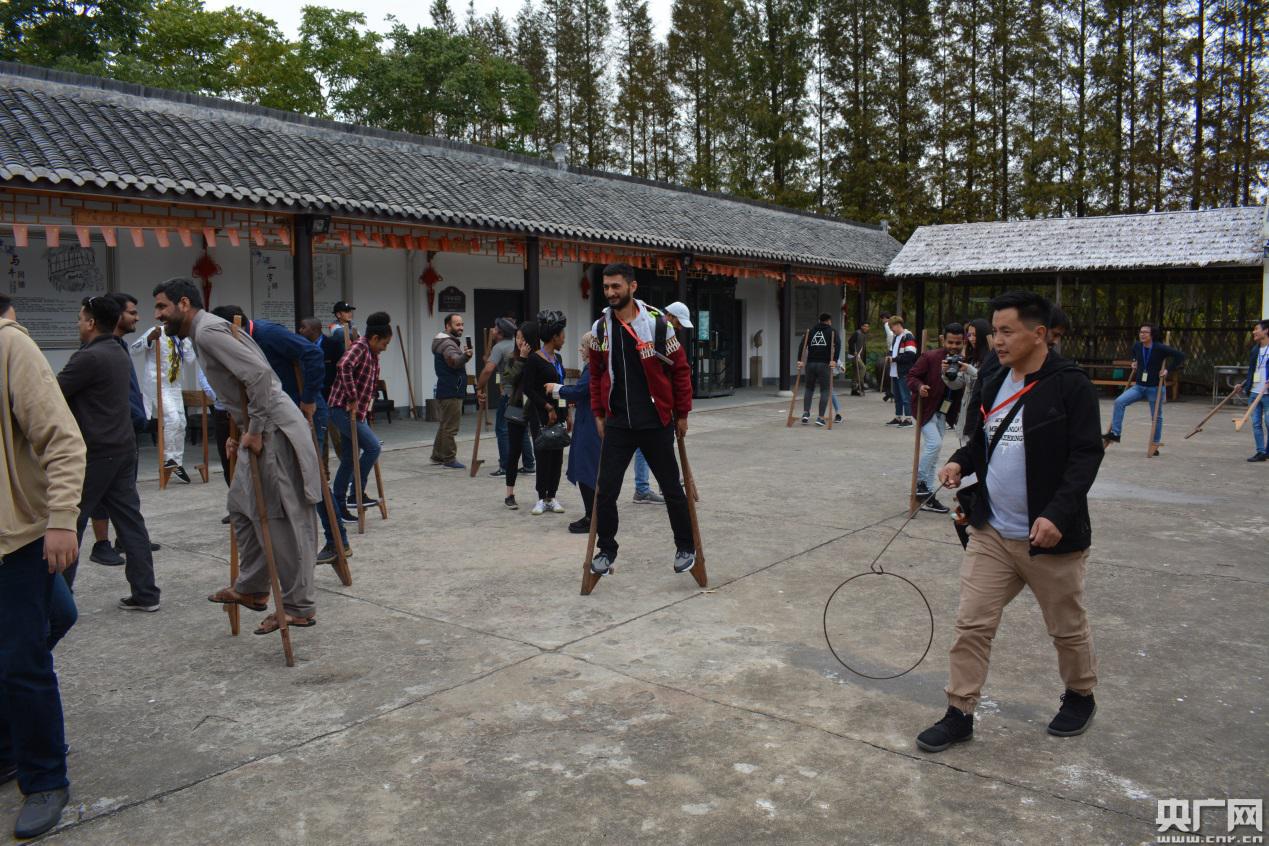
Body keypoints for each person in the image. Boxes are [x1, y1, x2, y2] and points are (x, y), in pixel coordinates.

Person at [916, 291, 1104, 754]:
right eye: (994, 332)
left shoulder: (1071, 385)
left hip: (1049, 538)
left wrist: (1057, 514)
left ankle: (1080, 694)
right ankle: (959, 711)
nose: (996, 341)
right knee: (971, 625)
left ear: (1038, 334)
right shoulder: (995, 377)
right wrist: (959, 462)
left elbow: (1086, 456)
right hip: (993, 532)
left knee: (1066, 627)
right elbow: (982, 440)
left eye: (1006, 332)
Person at [154, 277, 322, 633]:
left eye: (162, 307)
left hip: (274, 429)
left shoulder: (207, 332)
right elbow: (238, 386)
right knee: (241, 506)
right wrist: (239, 432)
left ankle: (298, 606)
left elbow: (259, 376)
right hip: (256, 425)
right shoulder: (205, 331)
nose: (158, 315)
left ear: (183, 304)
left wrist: (256, 430)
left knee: (281, 519)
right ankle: (253, 587)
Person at [0, 304, 85, 838]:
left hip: (15, 538)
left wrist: (62, 518)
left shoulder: (11, 346)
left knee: (20, 661)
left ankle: (46, 778)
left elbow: (62, 439)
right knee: (55, 619)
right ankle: (8, 744)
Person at [586, 263, 696, 577]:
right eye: (606, 287)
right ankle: (607, 550)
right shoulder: (601, 329)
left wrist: (682, 413)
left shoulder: (659, 326)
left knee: (672, 488)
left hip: (655, 422)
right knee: (606, 490)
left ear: (632, 287)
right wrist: (598, 413)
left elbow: (680, 371)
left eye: (616, 286)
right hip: (618, 422)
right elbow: (595, 374)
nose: (610, 293)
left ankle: (685, 547)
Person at [217, 308, 350, 565]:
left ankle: (337, 540)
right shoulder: (242, 344)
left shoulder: (268, 334)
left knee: (311, 476)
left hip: (304, 411)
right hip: (277, 417)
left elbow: (312, 354)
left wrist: (309, 398)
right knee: (288, 479)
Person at [57, 295, 161, 612]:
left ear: (91, 323)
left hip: (96, 452)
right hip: (123, 447)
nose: (78, 324)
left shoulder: (88, 357)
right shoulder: (117, 351)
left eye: (80, 318)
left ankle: (57, 601)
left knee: (69, 522)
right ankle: (146, 593)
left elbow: (52, 395)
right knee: (130, 523)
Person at [87, 292, 152, 566]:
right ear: (117, 315)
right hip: (108, 434)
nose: (137, 317)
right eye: (131, 312)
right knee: (100, 492)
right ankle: (101, 544)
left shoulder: (120, 346)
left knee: (124, 491)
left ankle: (125, 538)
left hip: (127, 428)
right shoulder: (98, 350)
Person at [328, 316, 392, 522]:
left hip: (358, 413)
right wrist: (352, 396)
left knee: (349, 458)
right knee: (373, 447)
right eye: (384, 343)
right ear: (374, 338)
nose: (385, 348)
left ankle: (339, 505)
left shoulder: (372, 354)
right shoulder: (360, 347)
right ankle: (356, 493)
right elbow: (343, 366)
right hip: (342, 409)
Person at [907, 323, 966, 514]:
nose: (954, 346)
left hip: (943, 412)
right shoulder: (930, 357)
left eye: (958, 343)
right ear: (943, 340)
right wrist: (920, 387)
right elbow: (912, 377)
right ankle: (920, 484)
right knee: (934, 444)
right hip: (924, 409)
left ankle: (927, 495)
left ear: (963, 342)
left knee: (935, 451)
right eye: (950, 342)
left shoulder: (964, 362)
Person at [130, 318, 195, 483]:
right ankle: (168, 458)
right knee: (172, 419)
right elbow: (134, 349)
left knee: (182, 422)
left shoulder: (183, 337)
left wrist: (189, 340)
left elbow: (190, 360)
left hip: (174, 386)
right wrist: (149, 338)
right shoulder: (157, 331)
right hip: (158, 385)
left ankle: (177, 462)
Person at [1103, 324, 1185, 449]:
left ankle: (1154, 444)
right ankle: (1115, 434)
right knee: (1119, 402)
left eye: (1146, 332)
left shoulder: (1160, 348)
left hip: (1155, 388)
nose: (1142, 334)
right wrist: (1134, 361)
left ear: (1152, 334)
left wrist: (1168, 370)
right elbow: (1134, 353)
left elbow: (1180, 356)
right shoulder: (1137, 346)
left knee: (1156, 417)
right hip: (1139, 387)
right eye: (1141, 332)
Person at [477, 317, 535, 478]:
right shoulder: (516, 347)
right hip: (523, 396)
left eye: (495, 328)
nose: (492, 330)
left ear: (500, 332)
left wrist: (479, 386)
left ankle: (505, 466)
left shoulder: (499, 347)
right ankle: (529, 464)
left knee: (502, 430)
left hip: (510, 395)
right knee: (522, 429)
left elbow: (488, 370)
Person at [525, 310, 570, 515]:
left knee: (557, 456)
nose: (564, 338)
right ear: (554, 337)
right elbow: (529, 389)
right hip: (540, 414)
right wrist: (547, 407)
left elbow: (561, 386)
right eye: (562, 335)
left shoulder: (557, 358)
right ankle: (541, 498)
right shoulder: (534, 359)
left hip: (559, 413)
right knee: (543, 455)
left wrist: (567, 412)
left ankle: (552, 496)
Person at [560, 333, 599, 533]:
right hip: (588, 422)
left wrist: (557, 389)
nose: (580, 349)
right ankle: (592, 514)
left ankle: (592, 516)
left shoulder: (593, 369)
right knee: (587, 468)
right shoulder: (594, 367)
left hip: (589, 425)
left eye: (583, 346)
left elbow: (578, 392)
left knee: (586, 470)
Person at [501, 322, 538, 510]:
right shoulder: (511, 357)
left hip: (536, 406)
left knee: (542, 448)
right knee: (514, 451)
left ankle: (545, 495)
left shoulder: (539, 357)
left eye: (523, 338)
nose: (519, 341)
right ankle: (509, 494)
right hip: (517, 406)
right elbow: (509, 380)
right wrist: (522, 359)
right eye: (517, 337)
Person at [431, 313, 472, 469]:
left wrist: (464, 355)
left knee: (445, 424)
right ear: (448, 326)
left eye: (462, 324)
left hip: (446, 388)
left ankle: (437, 455)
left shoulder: (445, 342)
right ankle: (449, 459)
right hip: (452, 390)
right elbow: (454, 361)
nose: (461, 327)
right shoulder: (448, 344)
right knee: (451, 427)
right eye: (457, 325)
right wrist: (466, 356)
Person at [798, 313, 841, 427]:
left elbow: (802, 345)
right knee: (825, 390)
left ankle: (806, 413)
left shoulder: (810, 331)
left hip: (810, 364)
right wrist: (834, 360)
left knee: (809, 388)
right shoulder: (832, 331)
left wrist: (800, 360)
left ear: (819, 320)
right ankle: (820, 417)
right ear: (829, 321)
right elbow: (838, 345)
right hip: (824, 364)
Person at [1240, 319, 1269, 461]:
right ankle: (1261, 452)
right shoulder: (1255, 350)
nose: (1254, 332)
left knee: (1268, 423)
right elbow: (1253, 371)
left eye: (1257, 329)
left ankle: (1267, 451)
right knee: (1256, 424)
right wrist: (1243, 384)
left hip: (1268, 394)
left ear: (1266, 330)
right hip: (1254, 392)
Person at [887, 316, 917, 427]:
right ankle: (898, 417)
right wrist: (889, 356)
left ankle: (908, 419)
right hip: (895, 371)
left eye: (892, 327)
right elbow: (891, 351)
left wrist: (894, 359)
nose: (891, 330)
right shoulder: (896, 337)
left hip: (904, 371)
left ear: (898, 325)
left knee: (905, 396)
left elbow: (910, 354)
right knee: (897, 396)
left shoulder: (908, 336)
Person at [848, 322, 869, 397]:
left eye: (867, 327)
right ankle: (858, 384)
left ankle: (854, 390)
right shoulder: (857, 333)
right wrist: (854, 351)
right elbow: (850, 342)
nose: (866, 328)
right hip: (854, 355)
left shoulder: (863, 334)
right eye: (865, 326)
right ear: (861, 326)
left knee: (855, 372)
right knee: (863, 368)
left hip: (859, 356)